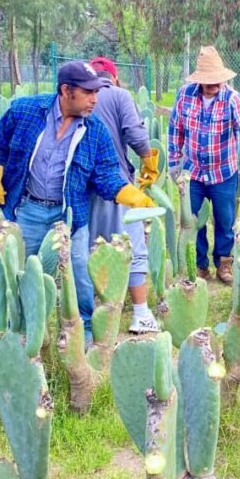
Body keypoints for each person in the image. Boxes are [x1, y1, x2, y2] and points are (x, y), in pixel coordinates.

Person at [0, 60, 155, 340]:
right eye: (88, 93)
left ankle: (82, 331)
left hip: (71, 216)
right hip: (29, 210)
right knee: (23, 274)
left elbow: (107, 172)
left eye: (96, 92)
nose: (94, 100)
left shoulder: (95, 130)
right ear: (66, 90)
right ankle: (23, 331)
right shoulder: (25, 111)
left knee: (79, 278)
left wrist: (129, 194)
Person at [168, 46, 240, 284]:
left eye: (217, 80)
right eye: (208, 81)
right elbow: (175, 129)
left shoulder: (232, 98)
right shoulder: (185, 95)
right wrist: (173, 162)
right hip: (192, 172)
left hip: (223, 172)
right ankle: (199, 265)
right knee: (193, 220)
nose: (214, 85)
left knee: (225, 220)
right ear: (199, 81)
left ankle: (225, 263)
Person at [86, 56, 160, 334]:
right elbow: (135, 134)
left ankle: (91, 315)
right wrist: (148, 162)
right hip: (118, 186)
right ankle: (140, 313)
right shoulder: (119, 95)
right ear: (114, 78)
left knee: (90, 248)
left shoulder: (78, 96)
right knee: (132, 246)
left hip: (82, 186)